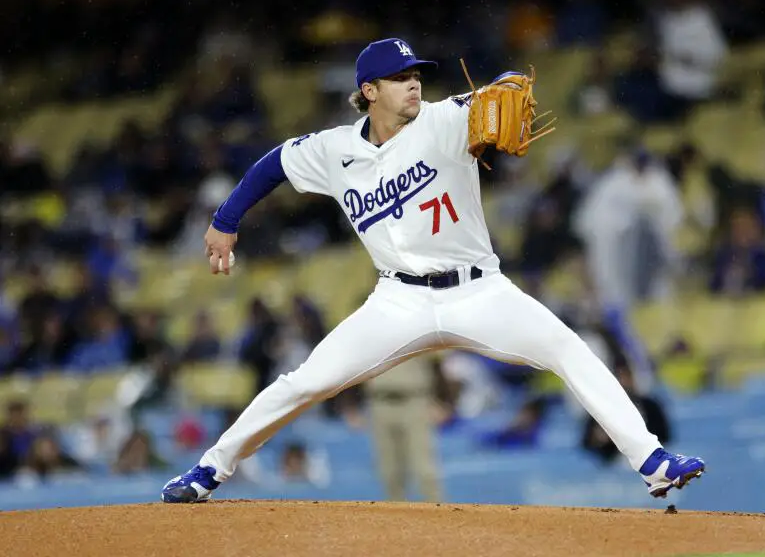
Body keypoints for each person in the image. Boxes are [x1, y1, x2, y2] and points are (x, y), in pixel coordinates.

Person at [161, 37, 705, 504]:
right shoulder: (333, 151)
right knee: (305, 382)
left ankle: (652, 462)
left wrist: (513, 81)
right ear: (369, 92)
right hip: (398, 302)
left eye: (416, 75)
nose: (414, 84)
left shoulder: (446, 119)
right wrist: (226, 220)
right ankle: (210, 470)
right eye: (399, 78)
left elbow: (506, 86)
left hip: (480, 291)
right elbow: (274, 163)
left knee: (571, 349)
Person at [366, 353, 441, 502]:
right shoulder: (370, 332)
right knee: (389, 469)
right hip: (380, 400)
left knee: (424, 467)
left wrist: (441, 399)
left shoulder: (418, 329)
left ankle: (439, 515)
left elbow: (437, 362)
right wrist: (350, 406)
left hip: (414, 399)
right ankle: (396, 519)